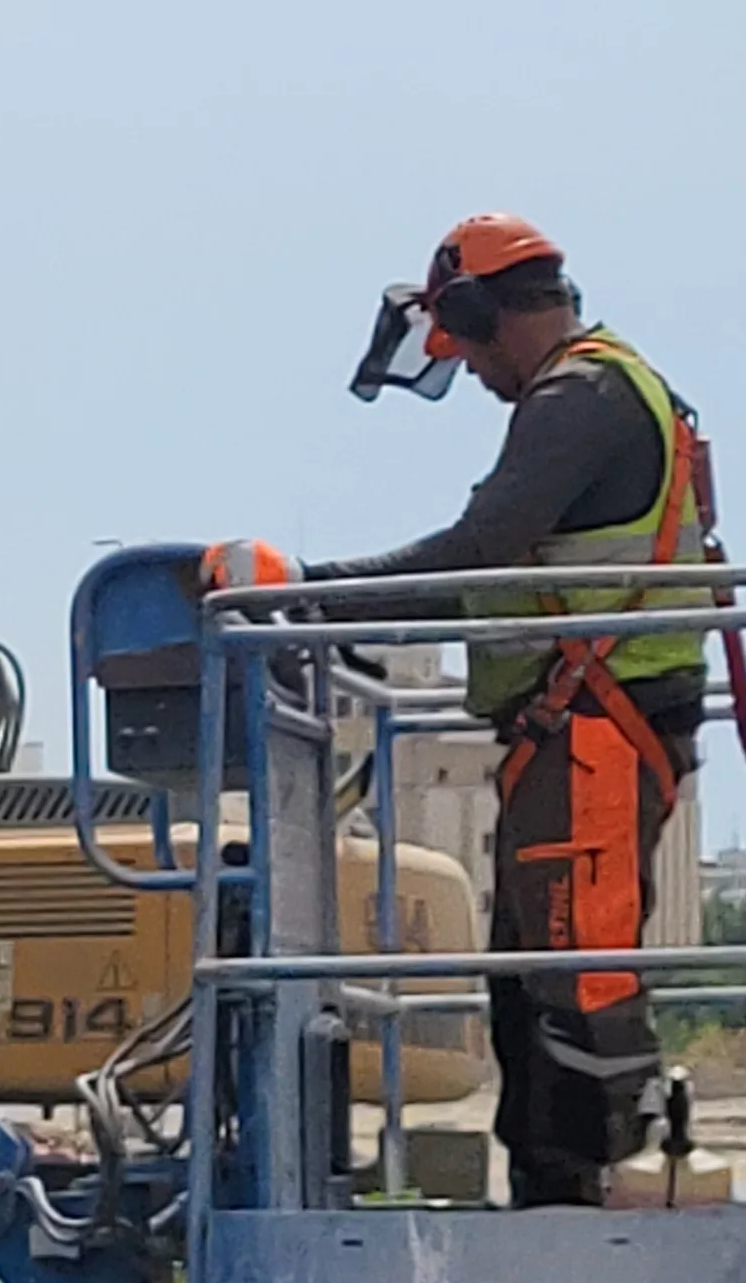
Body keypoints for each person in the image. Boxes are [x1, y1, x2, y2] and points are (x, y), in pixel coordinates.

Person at [243, 214, 717, 1204]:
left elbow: (480, 547)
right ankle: (558, 1187)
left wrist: (306, 590)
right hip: (577, 720)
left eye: (468, 350)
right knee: (532, 967)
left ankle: (580, 1199)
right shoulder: (587, 391)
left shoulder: (578, 395)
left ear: (479, 310)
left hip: (597, 721)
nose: (475, 377)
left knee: (568, 970)